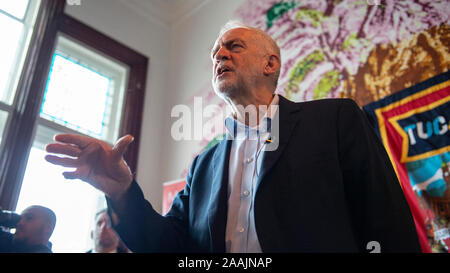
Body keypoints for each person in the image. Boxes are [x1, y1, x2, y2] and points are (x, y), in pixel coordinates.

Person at [45, 21, 421, 252]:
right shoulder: (203, 165)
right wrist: (122, 192)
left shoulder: (335, 119)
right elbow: (171, 246)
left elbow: (386, 223)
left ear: (270, 64)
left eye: (233, 46)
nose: (219, 54)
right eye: (214, 53)